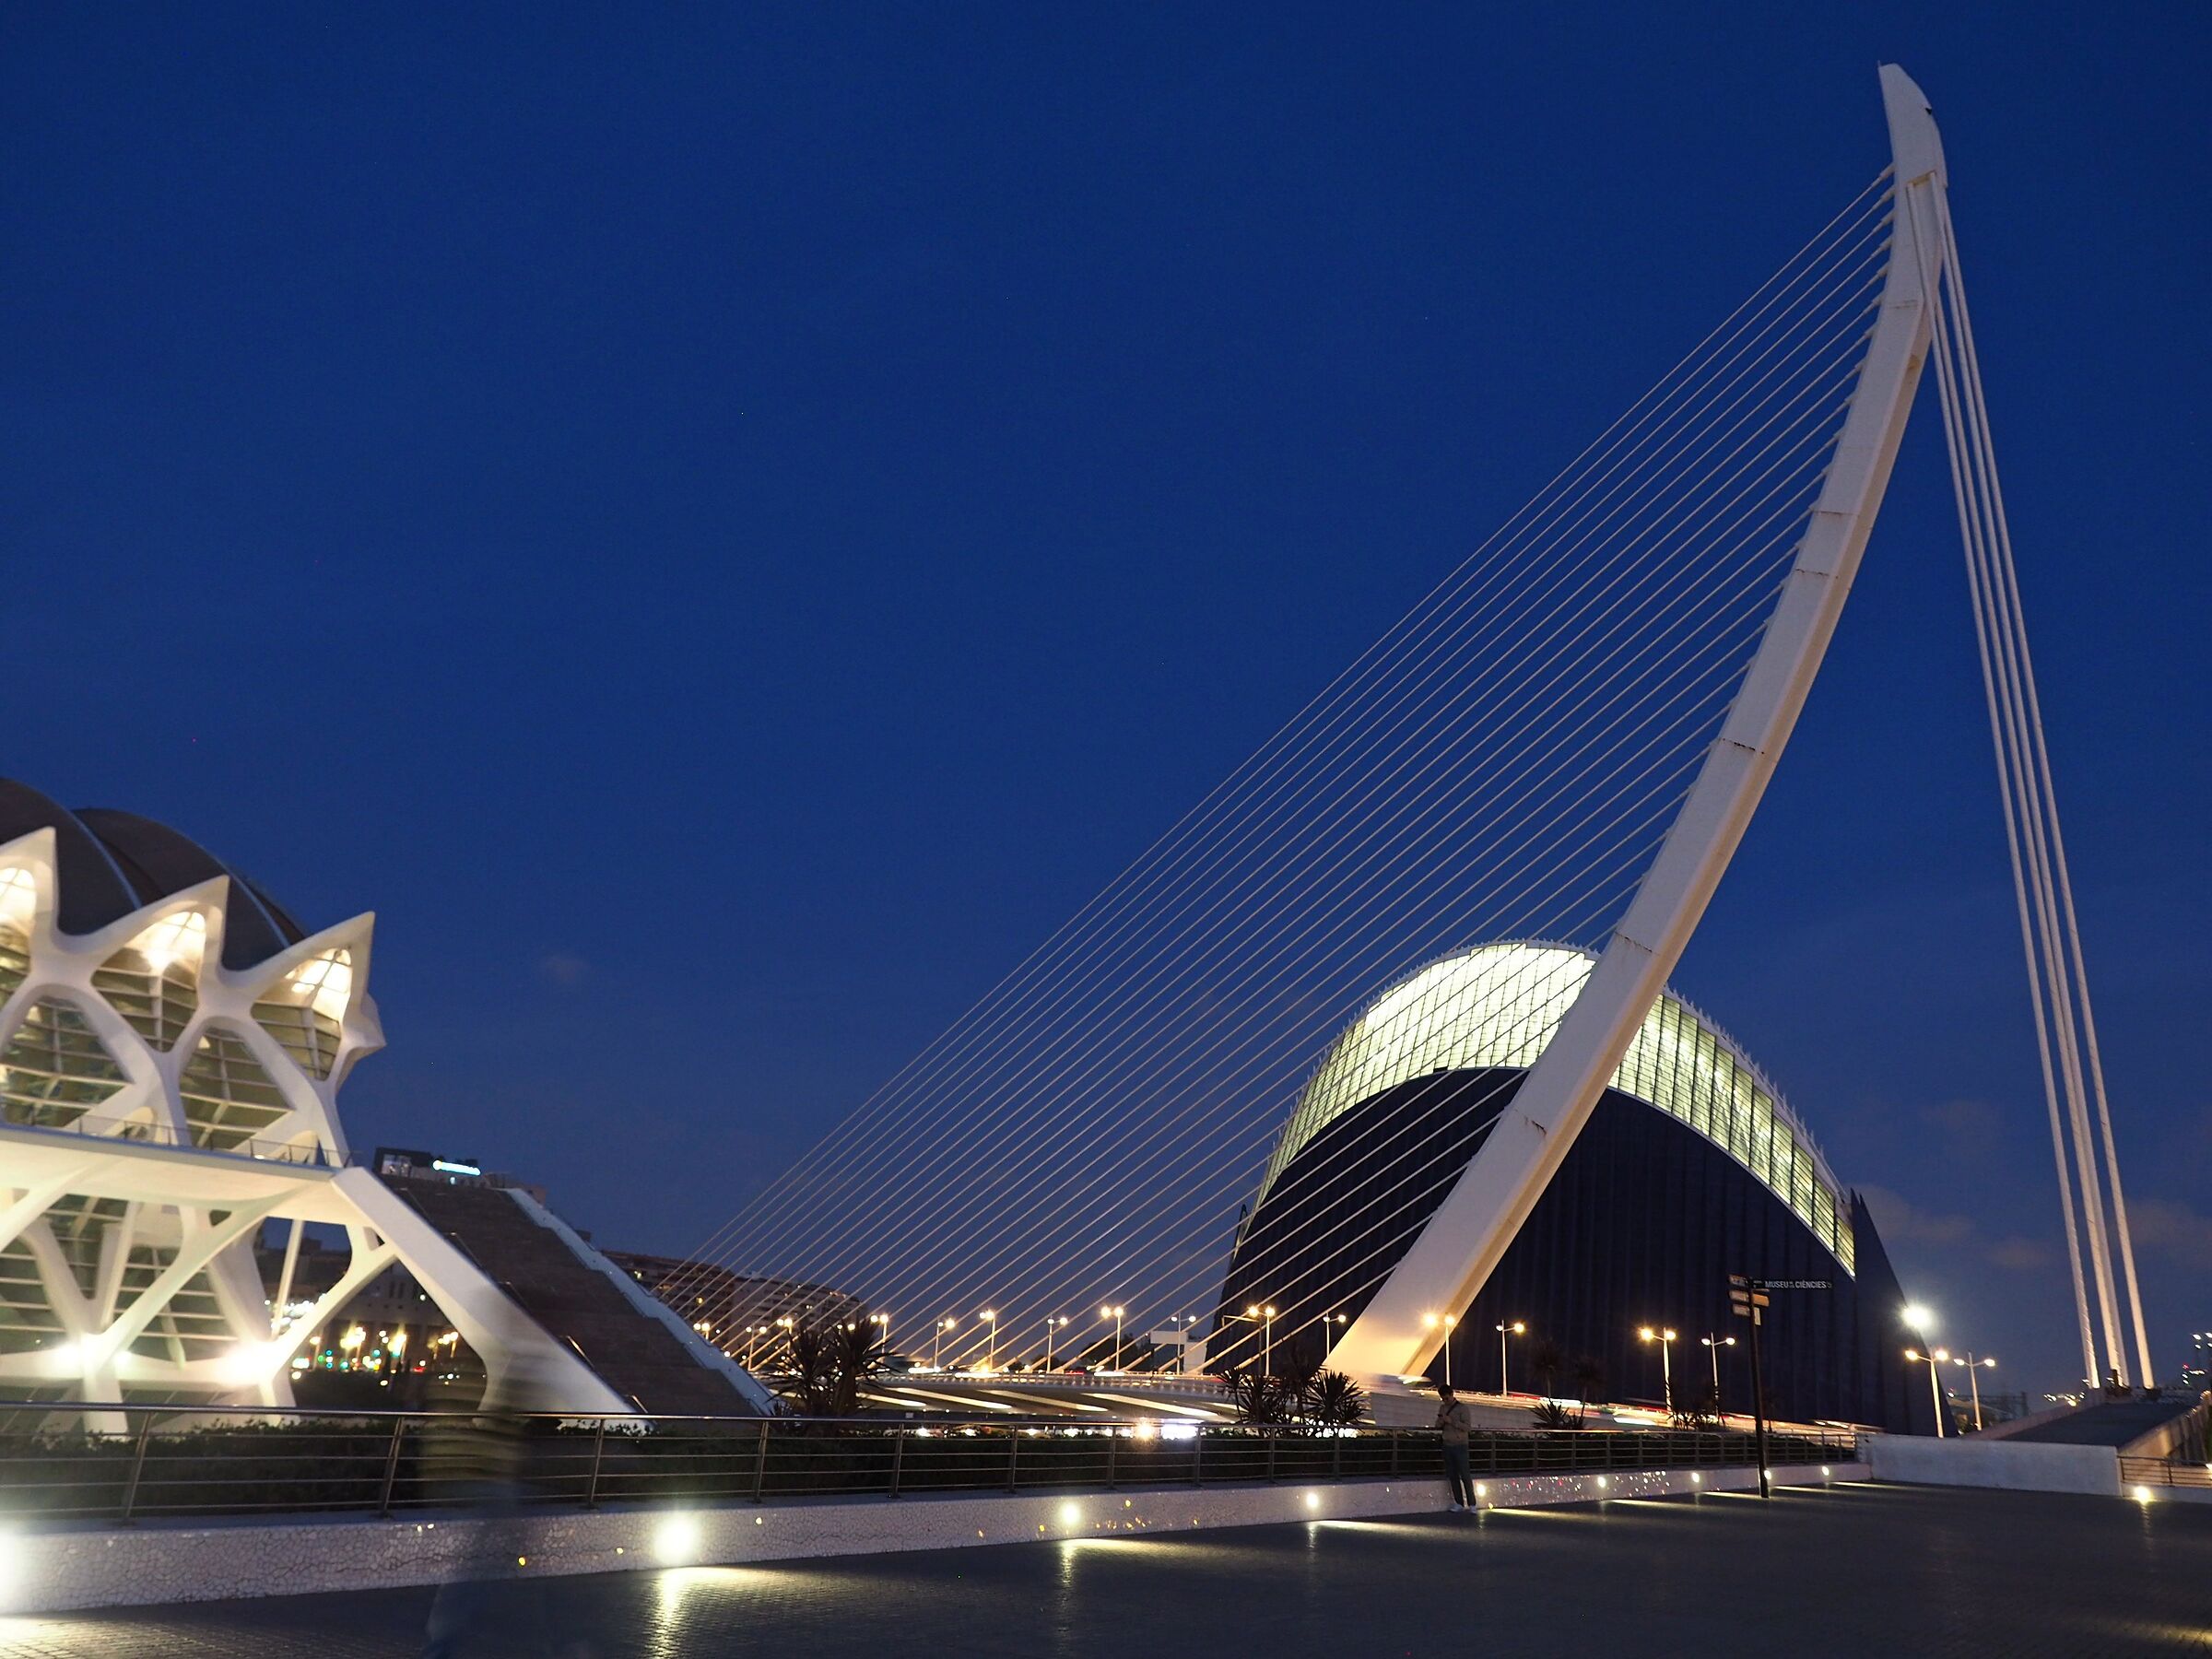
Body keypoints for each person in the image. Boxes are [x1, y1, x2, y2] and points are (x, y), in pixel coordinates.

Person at [1435, 1382, 1476, 1511]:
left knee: (1465, 1475)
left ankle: (1472, 1504)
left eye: (1447, 1398)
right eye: (1443, 1399)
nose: (1445, 1401)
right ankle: (1459, 1503)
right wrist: (1441, 1421)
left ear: (1452, 1395)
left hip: (1460, 1445)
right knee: (1452, 1475)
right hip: (1447, 1445)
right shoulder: (1442, 1408)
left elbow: (1467, 1427)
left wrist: (1452, 1422)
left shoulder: (1462, 1409)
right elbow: (1437, 1425)